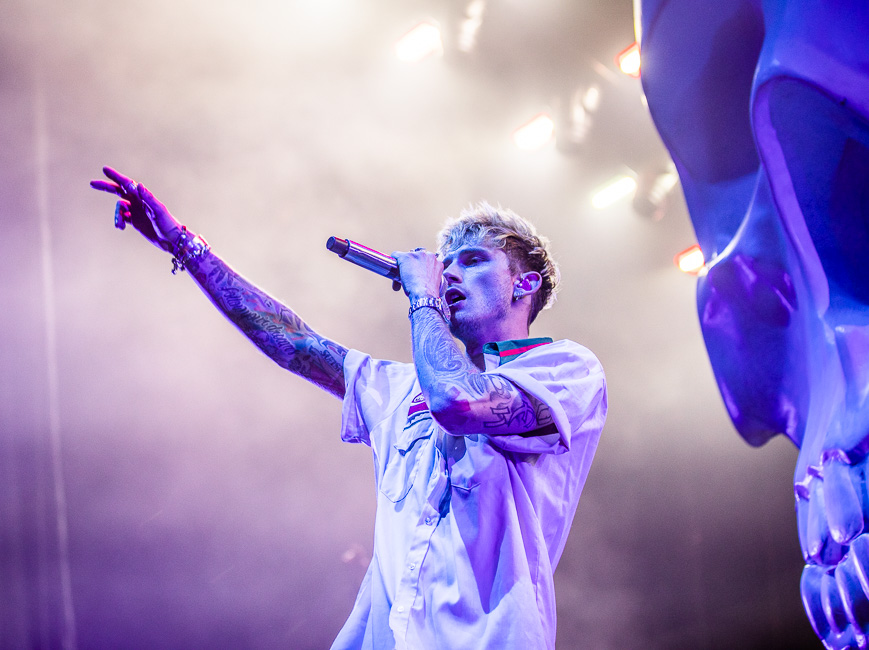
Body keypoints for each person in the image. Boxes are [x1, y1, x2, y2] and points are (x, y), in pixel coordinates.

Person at [91, 166, 607, 650]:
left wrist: (422, 298)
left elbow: (459, 402)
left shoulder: (565, 370)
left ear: (526, 283)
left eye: (472, 261)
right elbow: (291, 340)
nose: (449, 273)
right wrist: (184, 244)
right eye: (443, 263)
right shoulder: (401, 387)